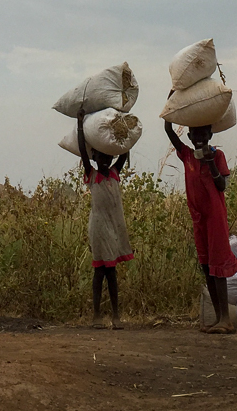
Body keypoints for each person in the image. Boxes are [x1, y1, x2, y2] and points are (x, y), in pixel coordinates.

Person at [165, 113, 237, 334]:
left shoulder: (218, 156)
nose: (199, 137)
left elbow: (222, 185)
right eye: (194, 134)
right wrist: (171, 106)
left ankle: (226, 319)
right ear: (189, 136)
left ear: (210, 134)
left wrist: (209, 161)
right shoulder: (187, 155)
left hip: (215, 218)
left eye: (203, 133)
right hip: (198, 218)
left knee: (218, 266)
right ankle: (219, 318)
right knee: (207, 266)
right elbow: (168, 131)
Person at [76, 109, 134, 329]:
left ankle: (116, 315)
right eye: (101, 157)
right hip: (99, 227)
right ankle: (98, 316)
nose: (105, 160)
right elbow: (82, 150)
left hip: (113, 227)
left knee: (112, 272)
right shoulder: (93, 176)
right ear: (94, 158)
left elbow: (124, 153)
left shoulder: (114, 173)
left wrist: (123, 127)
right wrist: (81, 125)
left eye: (108, 157)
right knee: (102, 270)